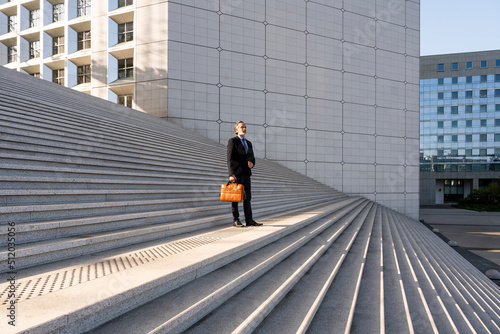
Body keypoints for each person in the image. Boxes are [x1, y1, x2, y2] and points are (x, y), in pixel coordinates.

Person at [227, 121, 262, 227]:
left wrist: (252, 164)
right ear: (236, 129)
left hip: (247, 174)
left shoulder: (249, 143)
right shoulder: (233, 141)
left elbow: (252, 158)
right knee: (235, 197)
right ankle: (236, 219)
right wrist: (231, 174)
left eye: (245, 127)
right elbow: (230, 158)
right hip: (237, 174)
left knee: (248, 198)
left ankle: (249, 219)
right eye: (242, 127)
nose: (244, 128)